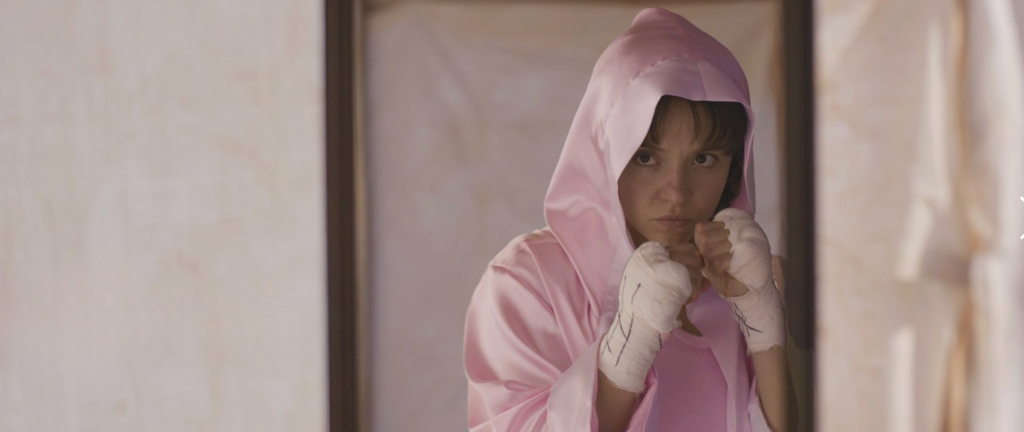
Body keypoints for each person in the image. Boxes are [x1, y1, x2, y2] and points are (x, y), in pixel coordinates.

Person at [464, 8, 792, 432]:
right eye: (646, 157)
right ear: (603, 151)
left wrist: (763, 322)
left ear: (733, 167)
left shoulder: (753, 281)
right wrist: (628, 347)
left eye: (703, 159)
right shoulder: (527, 282)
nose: (676, 191)